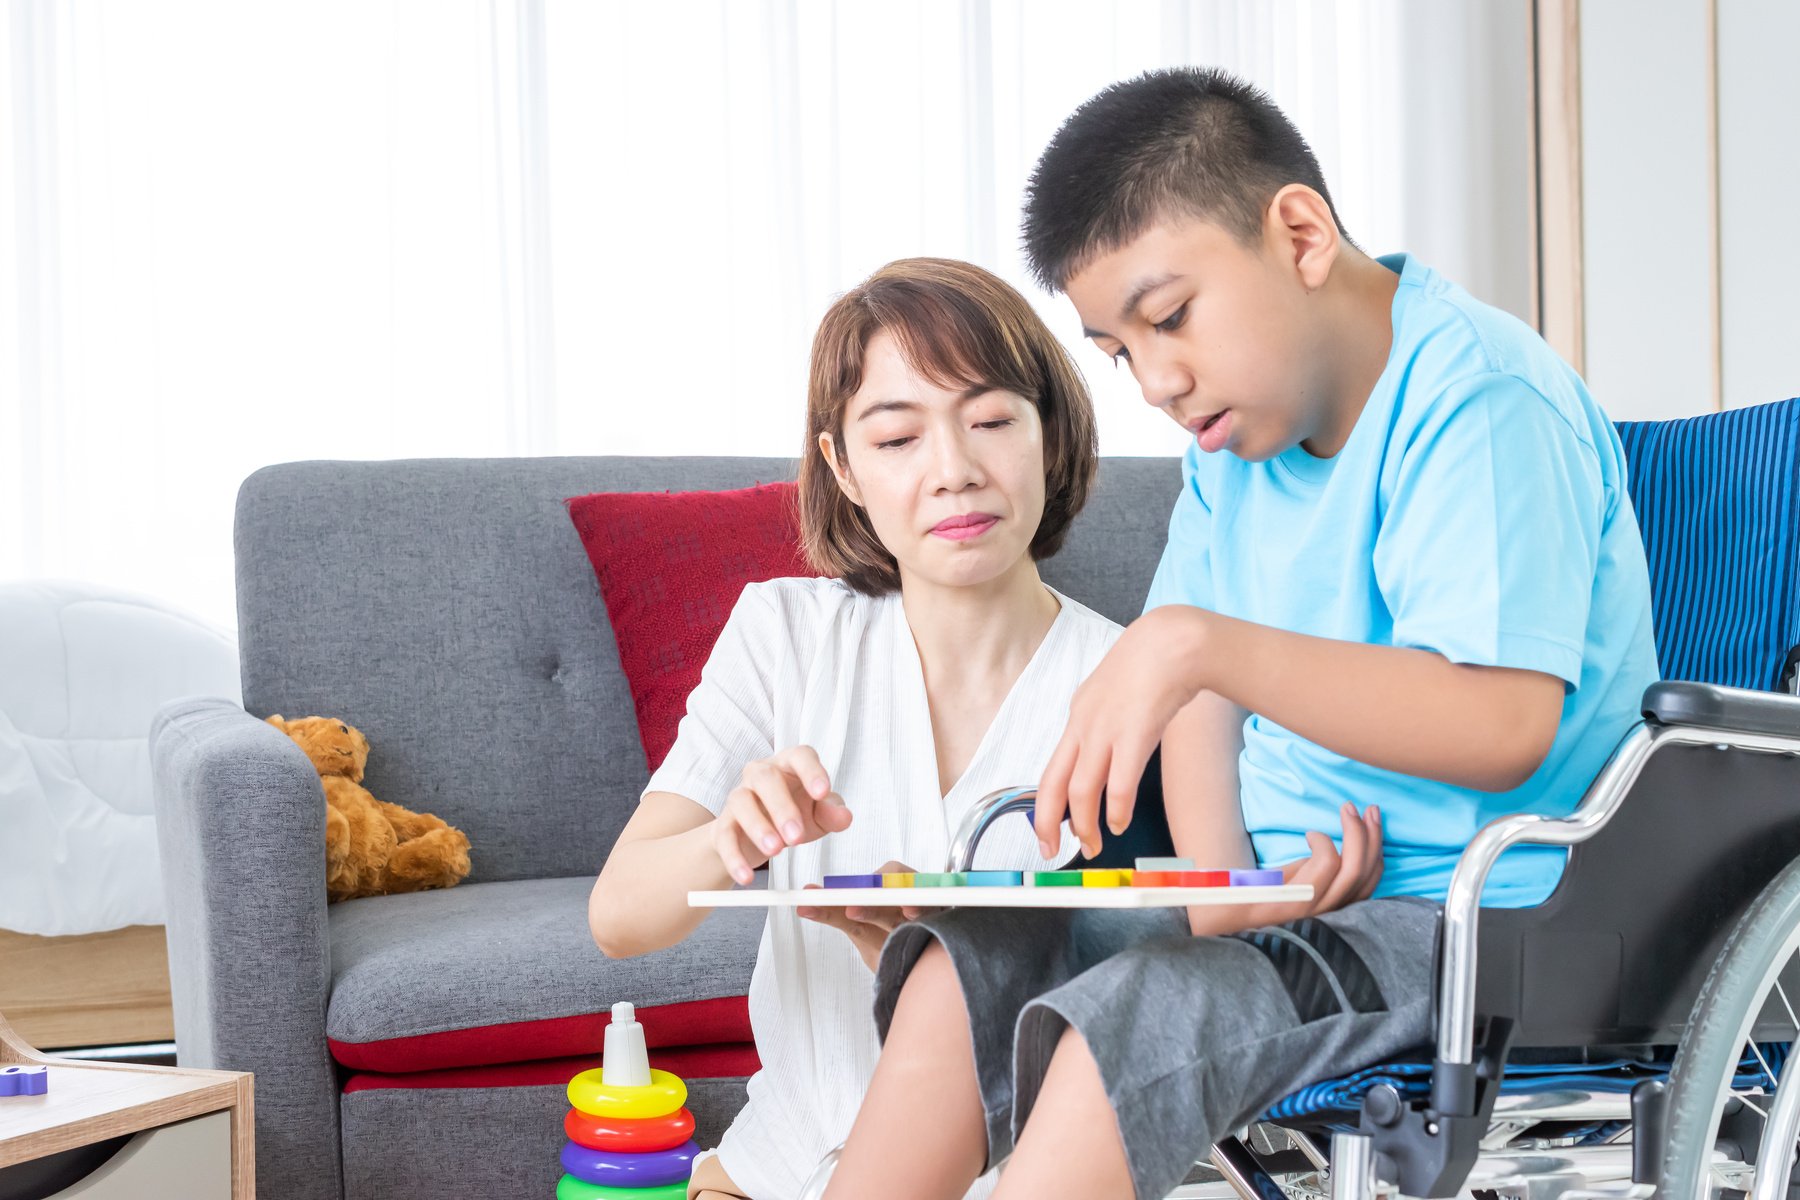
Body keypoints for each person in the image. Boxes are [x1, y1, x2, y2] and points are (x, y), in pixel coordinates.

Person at [822, 67, 1660, 1200]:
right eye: (1120, 350)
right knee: (974, 957)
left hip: (1481, 925)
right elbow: (1200, 695)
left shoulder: (1482, 401)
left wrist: (1199, 646)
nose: (1157, 381)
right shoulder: (1233, 454)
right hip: (1298, 903)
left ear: (1301, 234)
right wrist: (1224, 880)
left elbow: (1505, 721)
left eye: (1170, 318)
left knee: (1153, 1007)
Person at [589, 257, 1130, 1200]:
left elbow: (1142, 1023)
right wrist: (732, 839)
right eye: (897, 439)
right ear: (843, 466)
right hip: (776, 1166)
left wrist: (939, 973)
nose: (954, 472)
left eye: (993, 420)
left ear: (1051, 434)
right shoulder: (784, 634)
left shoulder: (1130, 684)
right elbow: (619, 917)